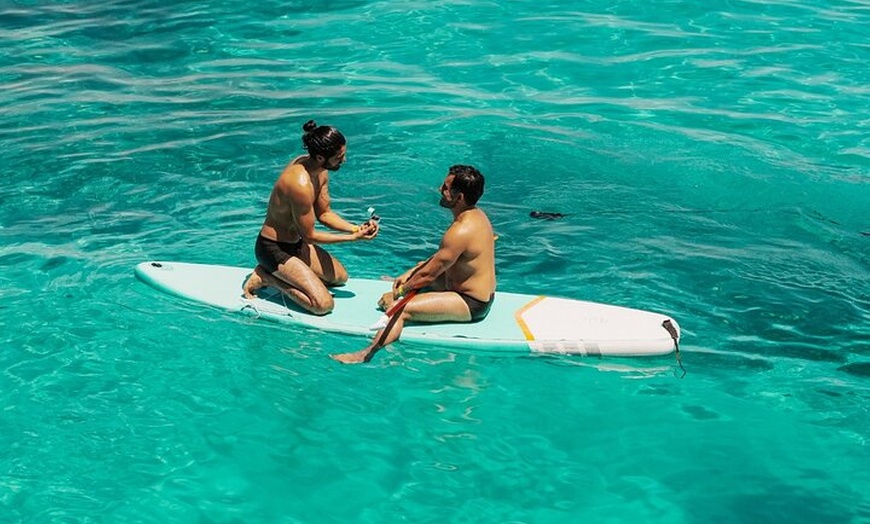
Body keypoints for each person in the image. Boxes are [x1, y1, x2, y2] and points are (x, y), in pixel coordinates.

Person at [331, 165, 495, 364]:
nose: (439, 189)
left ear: (459, 197)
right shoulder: (478, 216)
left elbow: (428, 276)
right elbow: (439, 260)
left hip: (471, 302)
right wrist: (411, 273)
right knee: (420, 268)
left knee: (399, 309)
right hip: (474, 288)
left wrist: (399, 293)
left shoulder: (460, 230)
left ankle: (366, 354)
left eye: (445, 187)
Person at [242, 120, 379, 315]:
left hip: (296, 244)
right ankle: (267, 277)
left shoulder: (320, 170)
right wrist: (352, 239)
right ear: (321, 157)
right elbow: (310, 236)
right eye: (339, 157)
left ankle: (290, 273)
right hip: (274, 249)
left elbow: (324, 214)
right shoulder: (300, 184)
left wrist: (357, 228)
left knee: (341, 278)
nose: (344, 160)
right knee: (323, 305)